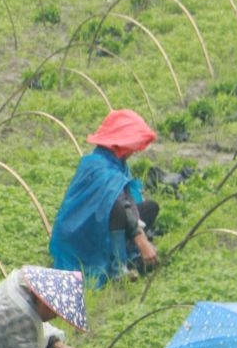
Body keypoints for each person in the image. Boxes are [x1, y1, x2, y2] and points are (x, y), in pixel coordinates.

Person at [49, 108, 161, 287]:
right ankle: (118, 270)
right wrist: (141, 240)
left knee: (150, 207)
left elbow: (128, 202)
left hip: (107, 223)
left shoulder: (117, 164)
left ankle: (126, 254)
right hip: (84, 232)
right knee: (116, 208)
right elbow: (119, 204)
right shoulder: (97, 166)